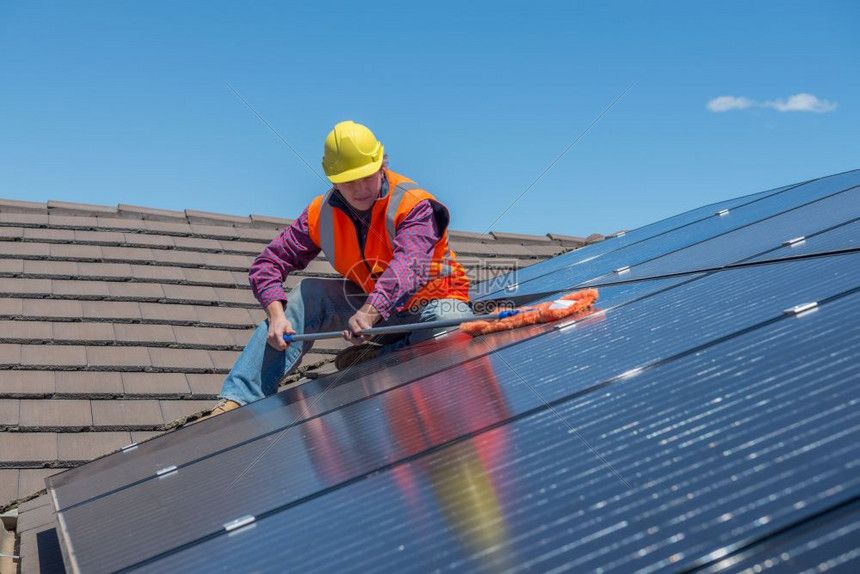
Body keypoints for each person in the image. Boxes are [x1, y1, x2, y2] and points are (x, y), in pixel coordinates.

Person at [211, 121, 472, 415]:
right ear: (333, 179)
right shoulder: (319, 214)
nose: (360, 188)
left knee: (453, 325)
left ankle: (382, 356)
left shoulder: (413, 204)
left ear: (381, 166)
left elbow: (408, 266)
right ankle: (238, 401)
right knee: (310, 293)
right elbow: (267, 264)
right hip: (374, 313)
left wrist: (369, 314)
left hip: (432, 306)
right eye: (349, 181)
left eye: (367, 177)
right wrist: (275, 316)